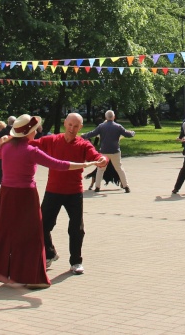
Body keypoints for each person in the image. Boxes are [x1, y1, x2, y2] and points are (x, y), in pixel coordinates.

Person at [0, 114, 101, 288]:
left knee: (1, 230)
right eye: (34, 130)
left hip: (6, 195)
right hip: (26, 195)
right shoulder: (31, 150)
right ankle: (31, 276)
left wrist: (3, 143)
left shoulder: (7, 147)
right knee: (32, 234)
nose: (37, 132)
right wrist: (84, 165)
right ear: (29, 133)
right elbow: (58, 164)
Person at [30, 113, 107, 275]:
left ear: (81, 127)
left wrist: (102, 159)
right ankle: (49, 253)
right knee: (41, 226)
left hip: (74, 192)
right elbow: (30, 144)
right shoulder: (52, 140)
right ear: (65, 123)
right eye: (70, 125)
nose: (72, 129)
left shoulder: (83, 144)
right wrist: (10, 140)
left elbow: (95, 155)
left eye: (76, 126)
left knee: (76, 228)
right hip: (53, 190)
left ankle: (76, 262)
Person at [80, 110, 135, 193]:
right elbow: (127, 134)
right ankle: (126, 186)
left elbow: (93, 133)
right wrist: (133, 133)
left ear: (106, 117)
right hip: (115, 151)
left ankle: (97, 187)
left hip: (104, 152)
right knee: (119, 169)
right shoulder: (118, 126)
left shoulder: (101, 126)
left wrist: (83, 136)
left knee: (100, 169)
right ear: (114, 117)